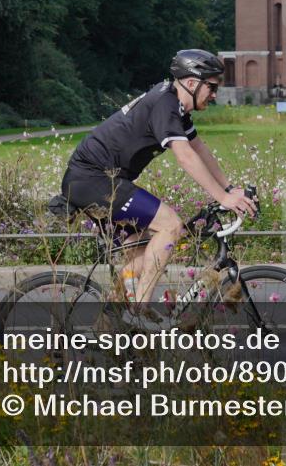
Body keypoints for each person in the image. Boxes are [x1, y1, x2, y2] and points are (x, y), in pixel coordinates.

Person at [58, 49, 257, 322]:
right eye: (211, 86)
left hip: (99, 181)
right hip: (92, 179)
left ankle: (115, 317)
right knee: (170, 226)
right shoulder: (164, 103)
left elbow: (198, 148)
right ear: (191, 83)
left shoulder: (175, 106)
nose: (214, 94)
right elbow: (185, 156)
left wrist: (230, 188)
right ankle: (137, 313)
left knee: (140, 246)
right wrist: (223, 197)